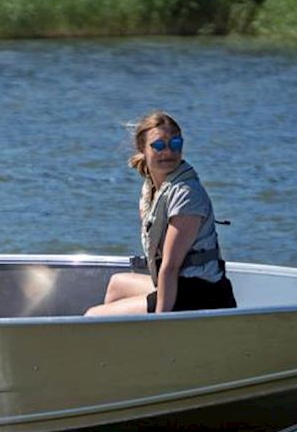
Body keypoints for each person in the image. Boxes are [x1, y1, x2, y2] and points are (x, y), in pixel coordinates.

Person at [85, 111, 236, 316]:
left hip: (201, 294)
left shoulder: (187, 194)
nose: (168, 152)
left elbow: (170, 267)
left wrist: (159, 321)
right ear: (143, 149)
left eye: (175, 144)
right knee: (117, 284)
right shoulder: (152, 189)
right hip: (182, 285)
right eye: (158, 145)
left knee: (93, 316)